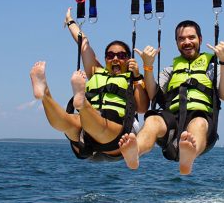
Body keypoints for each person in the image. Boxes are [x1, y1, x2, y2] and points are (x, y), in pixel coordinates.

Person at [119, 20, 224, 174]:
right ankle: (135, 152)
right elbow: (153, 94)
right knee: (152, 120)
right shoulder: (170, 70)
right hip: (172, 122)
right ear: (176, 43)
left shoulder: (212, 67)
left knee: (198, 124)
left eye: (191, 37)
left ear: (200, 39)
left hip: (202, 117)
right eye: (181, 39)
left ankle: (189, 156)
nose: (187, 42)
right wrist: (148, 66)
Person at [29, 9, 149, 161]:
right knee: (68, 122)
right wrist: (70, 22)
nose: (115, 58)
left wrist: (137, 76)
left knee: (95, 122)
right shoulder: (96, 72)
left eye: (121, 55)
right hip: (85, 138)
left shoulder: (132, 79)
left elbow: (142, 108)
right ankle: (44, 94)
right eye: (110, 55)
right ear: (105, 59)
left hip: (117, 138)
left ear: (128, 59)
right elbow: (83, 43)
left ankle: (82, 103)